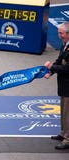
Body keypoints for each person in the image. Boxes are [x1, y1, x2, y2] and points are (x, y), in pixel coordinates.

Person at [44, 21, 69, 150]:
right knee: (63, 110)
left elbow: (67, 68)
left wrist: (51, 66)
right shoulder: (65, 44)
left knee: (67, 113)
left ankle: (68, 139)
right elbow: (59, 61)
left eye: (61, 33)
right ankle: (63, 133)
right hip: (64, 85)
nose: (59, 35)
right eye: (59, 33)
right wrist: (50, 72)